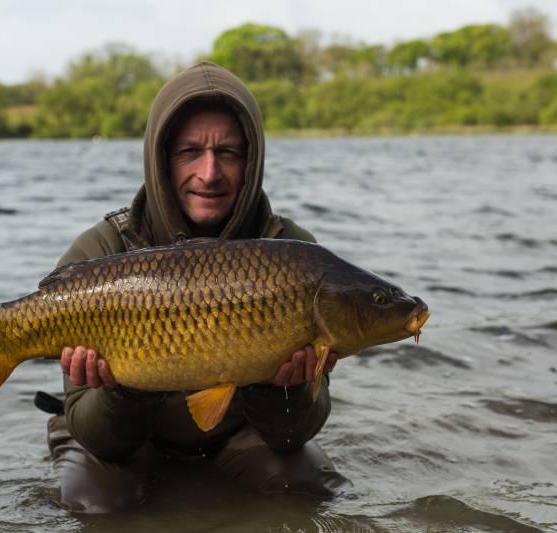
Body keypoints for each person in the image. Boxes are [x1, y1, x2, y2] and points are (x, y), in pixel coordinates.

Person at [44, 61, 349, 513]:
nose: (210, 173)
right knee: (95, 502)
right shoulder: (103, 250)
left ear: (252, 161)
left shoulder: (293, 254)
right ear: (161, 158)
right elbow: (100, 439)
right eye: (190, 151)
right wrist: (125, 387)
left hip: (236, 435)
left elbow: (294, 434)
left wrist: (276, 384)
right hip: (121, 436)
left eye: (228, 152)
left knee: (306, 488)